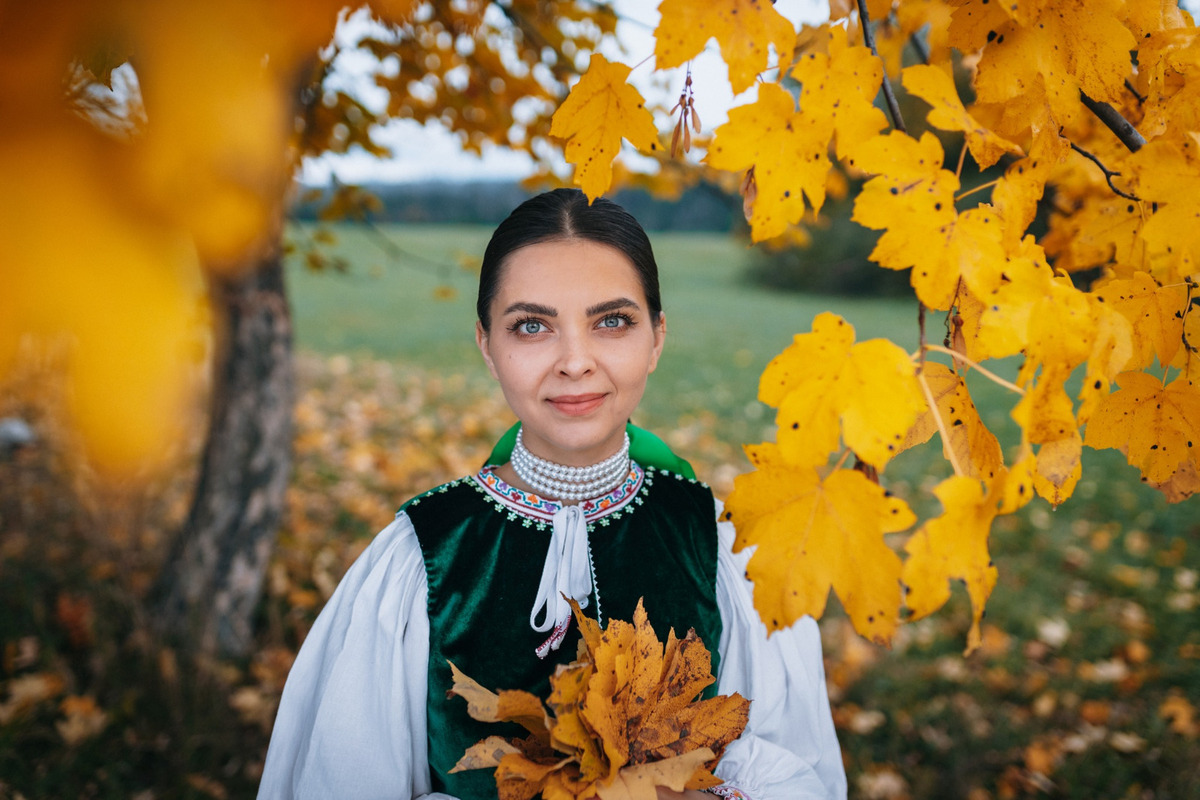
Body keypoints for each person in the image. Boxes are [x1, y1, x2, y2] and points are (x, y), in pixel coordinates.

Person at [258, 189, 847, 799]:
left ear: (657, 339)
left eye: (612, 321)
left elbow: (797, 769)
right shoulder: (422, 557)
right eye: (532, 326)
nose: (574, 361)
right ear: (488, 345)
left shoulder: (721, 545)